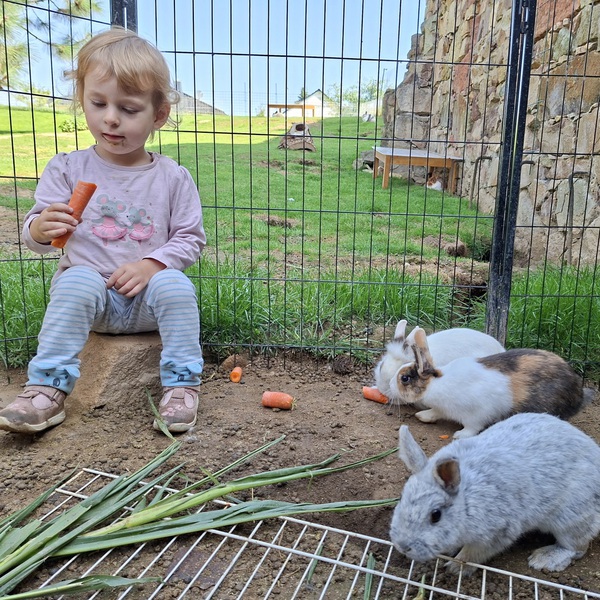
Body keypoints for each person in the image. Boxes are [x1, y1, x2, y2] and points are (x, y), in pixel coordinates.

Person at [0, 28, 206, 435]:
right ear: (83, 100)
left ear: (158, 115)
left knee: (176, 285)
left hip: (148, 302)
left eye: (128, 109)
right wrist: (40, 228)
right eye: (98, 103)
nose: (111, 118)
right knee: (76, 279)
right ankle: (46, 388)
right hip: (92, 301)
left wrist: (151, 265)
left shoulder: (172, 177)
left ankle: (182, 386)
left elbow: (190, 238)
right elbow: (37, 239)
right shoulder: (67, 168)